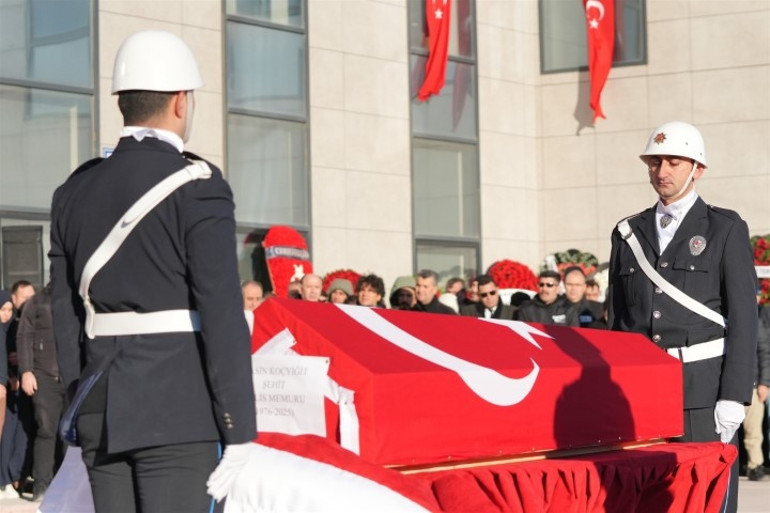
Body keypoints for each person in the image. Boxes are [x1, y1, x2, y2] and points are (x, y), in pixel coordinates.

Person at [49, 30, 256, 512]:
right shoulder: (197, 184)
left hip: (100, 406)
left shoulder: (73, 191)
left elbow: (65, 312)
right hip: (178, 411)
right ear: (181, 101)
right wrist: (239, 427)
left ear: (122, 102)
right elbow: (221, 308)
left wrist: (84, 401)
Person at [608, 121, 757, 513]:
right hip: (640, 393)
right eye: (655, 162)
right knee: (646, 500)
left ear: (698, 169)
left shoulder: (725, 228)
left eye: (674, 162)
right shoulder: (627, 232)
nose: (663, 172)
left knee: (704, 498)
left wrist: (734, 395)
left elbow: (744, 317)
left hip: (701, 394)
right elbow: (618, 323)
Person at [17, 283, 66, 501]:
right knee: (46, 430)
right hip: (44, 376)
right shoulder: (36, 302)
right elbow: (24, 336)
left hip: (72, 376)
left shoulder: (76, 297)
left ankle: (68, 487)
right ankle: (42, 488)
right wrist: (26, 371)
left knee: (71, 436)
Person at [742, 288, 770, 481]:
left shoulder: (758, 322)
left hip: (752, 385)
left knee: (754, 430)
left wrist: (764, 383)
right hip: (731, 384)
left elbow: (764, 354)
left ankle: (755, 465)